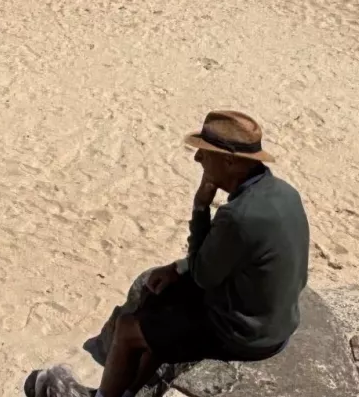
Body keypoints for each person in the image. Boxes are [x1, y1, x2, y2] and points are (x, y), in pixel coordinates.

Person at [26, 111, 309, 397]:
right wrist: (177, 269)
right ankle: (129, 390)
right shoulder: (284, 193)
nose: (197, 158)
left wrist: (201, 206)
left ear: (229, 161)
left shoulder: (238, 215)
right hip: (276, 323)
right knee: (160, 297)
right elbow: (228, 255)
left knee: (128, 329)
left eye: (205, 153)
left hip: (246, 334)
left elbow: (203, 275)